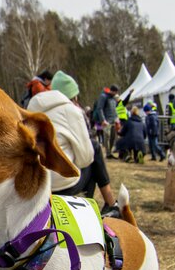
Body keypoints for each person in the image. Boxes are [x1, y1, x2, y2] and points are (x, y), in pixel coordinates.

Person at [29, 71, 120, 216]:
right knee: (95, 148)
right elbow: (85, 159)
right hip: (63, 186)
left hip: (38, 186)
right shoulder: (72, 111)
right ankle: (110, 204)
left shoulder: (31, 110)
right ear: (73, 95)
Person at [92, 84, 119, 158]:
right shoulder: (103, 96)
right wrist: (103, 120)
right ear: (112, 91)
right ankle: (108, 153)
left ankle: (110, 152)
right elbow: (99, 108)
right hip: (106, 121)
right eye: (115, 92)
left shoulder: (113, 99)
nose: (116, 94)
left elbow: (114, 109)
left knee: (112, 137)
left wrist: (117, 118)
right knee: (107, 137)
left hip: (113, 121)